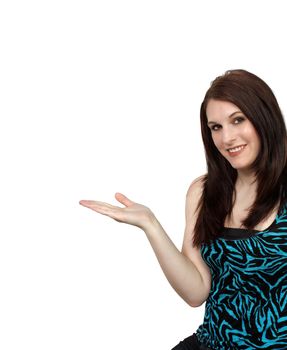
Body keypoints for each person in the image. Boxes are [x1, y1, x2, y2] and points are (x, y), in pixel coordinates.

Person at [79, 69, 287, 349]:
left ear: (264, 118)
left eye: (238, 120)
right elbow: (196, 292)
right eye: (216, 127)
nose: (227, 138)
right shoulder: (203, 192)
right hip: (210, 343)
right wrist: (150, 224)